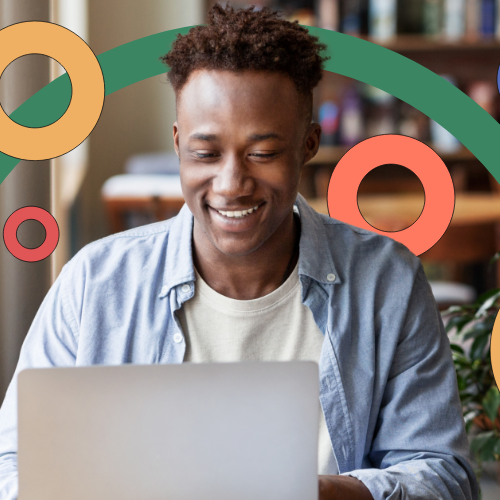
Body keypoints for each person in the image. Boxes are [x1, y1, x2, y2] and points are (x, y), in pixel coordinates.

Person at [0, 4, 478, 500]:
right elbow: (14, 463)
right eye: (205, 154)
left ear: (308, 144)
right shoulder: (94, 284)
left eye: (263, 153)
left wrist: (320, 494)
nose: (231, 185)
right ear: (179, 145)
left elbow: (445, 477)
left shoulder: (387, 282)